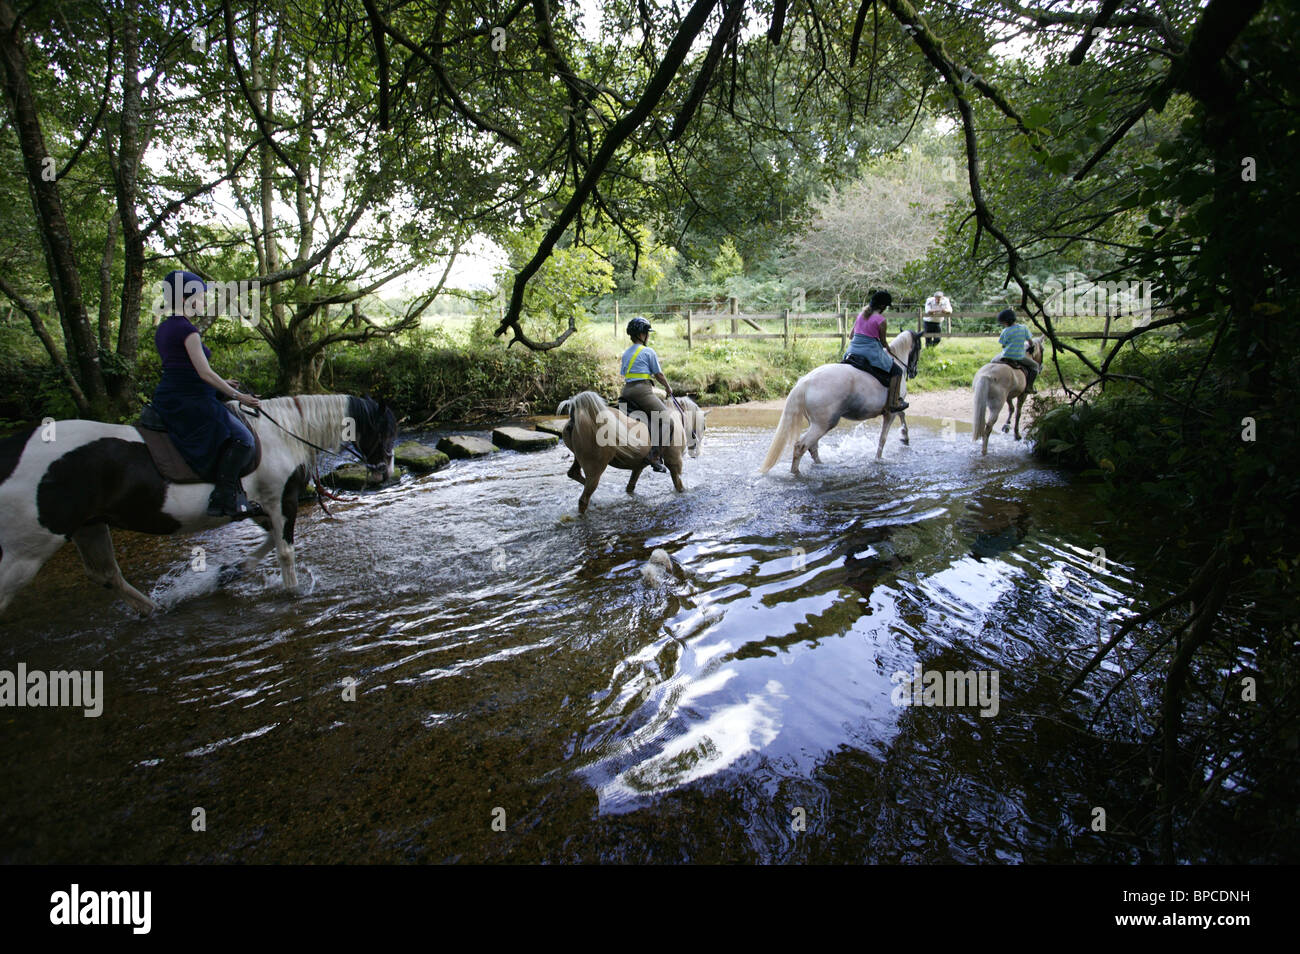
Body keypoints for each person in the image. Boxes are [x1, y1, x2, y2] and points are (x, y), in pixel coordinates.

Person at [151, 270, 264, 519]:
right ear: (185, 299)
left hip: (169, 397)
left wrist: (221, 381)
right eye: (201, 297)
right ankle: (224, 497)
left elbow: (180, 367)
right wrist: (238, 396)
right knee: (244, 440)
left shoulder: (165, 328)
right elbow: (204, 373)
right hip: (192, 400)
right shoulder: (187, 331)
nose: (203, 302)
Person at [620, 317, 674, 473]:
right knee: (668, 421)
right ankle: (655, 456)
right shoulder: (648, 351)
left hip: (626, 390)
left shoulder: (625, 353)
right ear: (641, 334)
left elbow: (625, 373)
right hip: (642, 391)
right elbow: (658, 374)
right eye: (646, 333)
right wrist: (668, 387)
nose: (648, 336)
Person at [842, 289, 909, 413]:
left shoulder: (860, 315)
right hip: (870, 352)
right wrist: (889, 349)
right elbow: (883, 342)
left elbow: (851, 336)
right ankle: (894, 402)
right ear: (882, 306)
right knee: (897, 371)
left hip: (852, 350)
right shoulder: (881, 320)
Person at [995, 308, 1038, 393]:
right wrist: (1032, 346)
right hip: (1019, 357)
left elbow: (1003, 345)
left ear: (1006, 322)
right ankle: (1029, 387)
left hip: (1005, 356)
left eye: (1003, 323)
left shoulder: (1005, 331)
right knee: (1035, 366)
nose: (1003, 325)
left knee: (992, 361)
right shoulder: (1024, 328)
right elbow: (1030, 342)